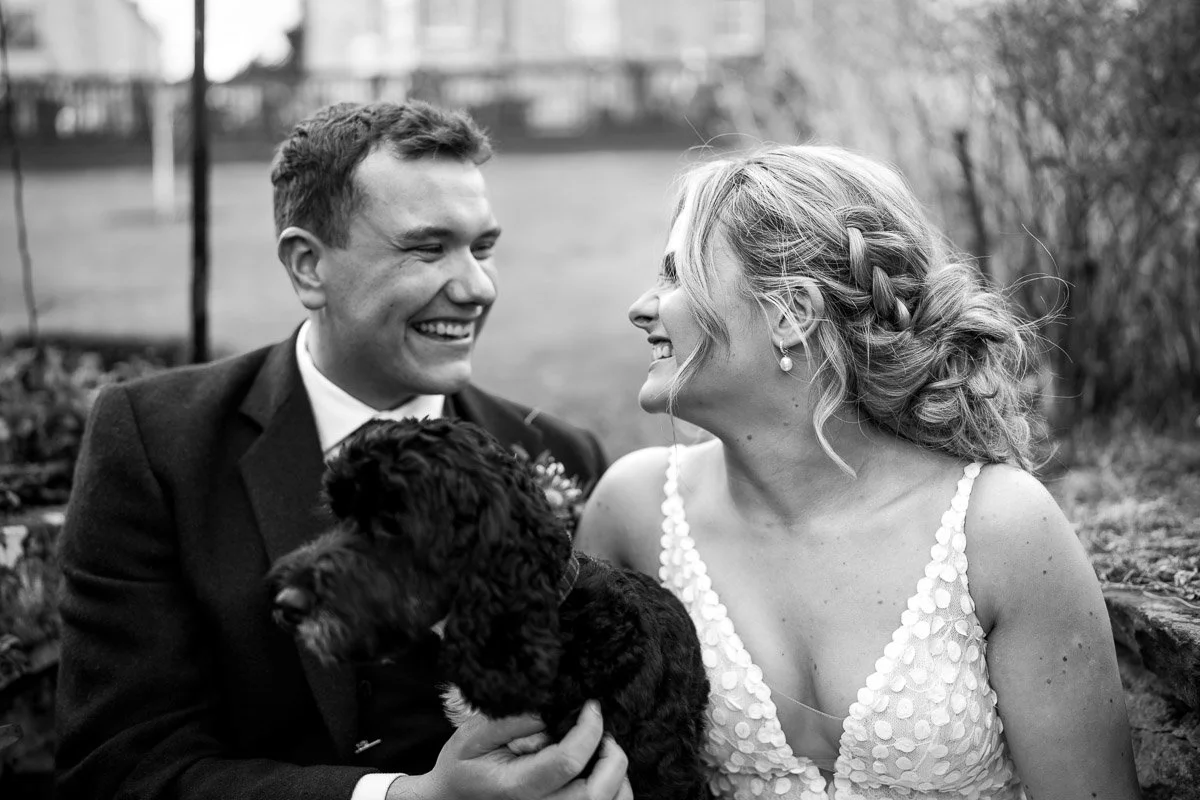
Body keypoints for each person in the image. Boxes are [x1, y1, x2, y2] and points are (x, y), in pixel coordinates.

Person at [55, 101, 631, 800]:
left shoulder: (559, 454)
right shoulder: (157, 445)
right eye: (427, 248)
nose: (477, 287)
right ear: (308, 266)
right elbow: (122, 768)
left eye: (482, 248)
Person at [578, 145, 1142, 799]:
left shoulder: (998, 529)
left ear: (791, 314)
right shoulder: (634, 512)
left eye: (677, 277)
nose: (643, 307)